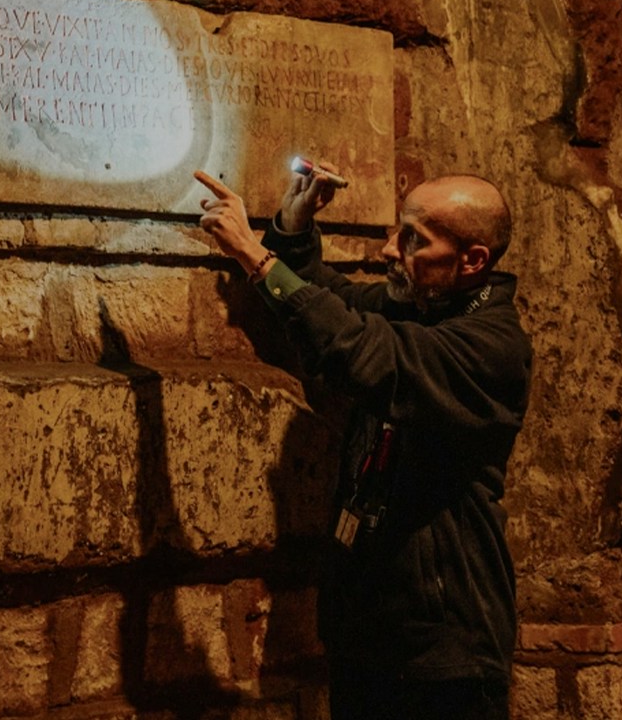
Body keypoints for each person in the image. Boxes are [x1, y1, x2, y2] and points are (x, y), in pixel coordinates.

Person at [196, 162, 531, 720]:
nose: (389, 251)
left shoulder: (492, 348)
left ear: (473, 261)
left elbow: (359, 350)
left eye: (413, 240)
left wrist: (256, 258)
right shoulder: (424, 307)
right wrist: (294, 226)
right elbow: (327, 301)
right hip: (372, 632)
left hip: (443, 651)